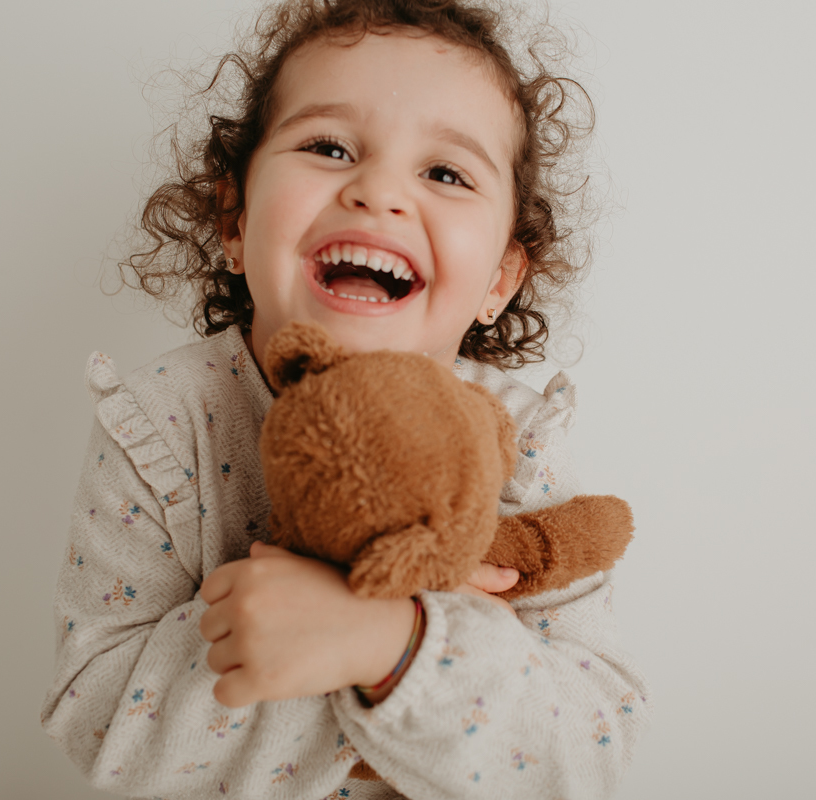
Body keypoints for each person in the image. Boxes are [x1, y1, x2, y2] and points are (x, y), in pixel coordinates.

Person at [41, 0, 650, 797]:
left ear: (499, 279)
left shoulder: (519, 440)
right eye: (329, 147)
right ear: (235, 217)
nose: (378, 192)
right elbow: (98, 722)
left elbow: (589, 753)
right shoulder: (161, 426)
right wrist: (312, 622)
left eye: (445, 172)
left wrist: (398, 645)